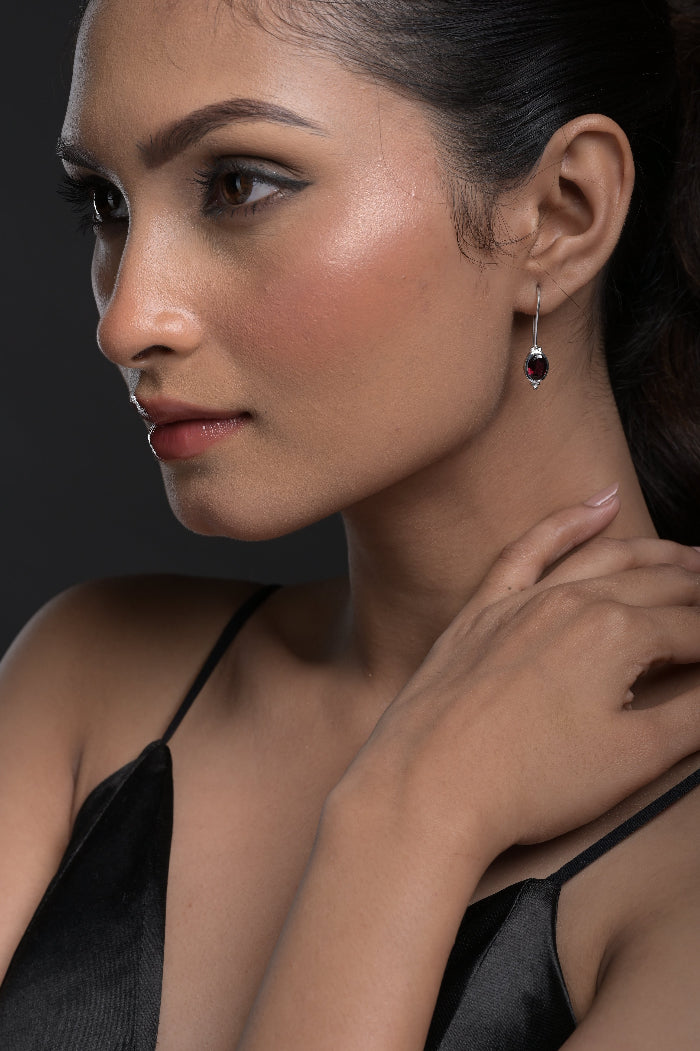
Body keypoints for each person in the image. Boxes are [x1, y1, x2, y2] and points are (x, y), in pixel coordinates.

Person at [0, 0, 699, 1047]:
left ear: (559, 213)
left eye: (239, 185)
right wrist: (408, 822)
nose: (125, 318)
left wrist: (403, 824)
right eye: (105, 202)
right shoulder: (88, 681)